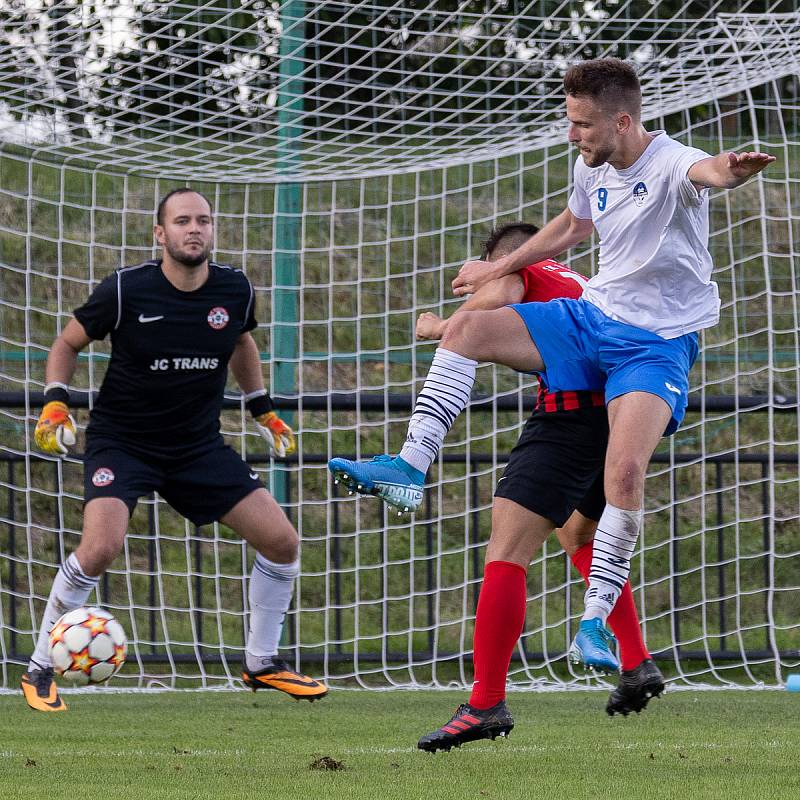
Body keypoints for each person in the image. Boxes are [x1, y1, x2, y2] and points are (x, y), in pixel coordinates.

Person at [328, 57, 775, 675]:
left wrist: (733, 170)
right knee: (468, 328)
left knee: (623, 473)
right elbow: (571, 225)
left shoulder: (671, 162)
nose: (572, 135)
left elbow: (710, 171)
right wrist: (495, 269)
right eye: (570, 122)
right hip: (595, 319)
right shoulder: (589, 166)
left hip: (656, 345)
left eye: (583, 125)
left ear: (622, 120)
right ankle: (409, 465)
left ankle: (594, 623)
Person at [333, 222, 663, 751]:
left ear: (498, 259)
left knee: (506, 552)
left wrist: (436, 323)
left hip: (568, 418)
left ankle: (485, 703)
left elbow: (499, 298)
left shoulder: (522, 271)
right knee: (580, 536)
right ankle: (636, 660)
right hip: (626, 408)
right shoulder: (581, 285)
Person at [23, 188, 328, 711]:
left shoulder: (234, 289)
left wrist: (262, 409)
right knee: (100, 547)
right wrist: (56, 403)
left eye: (204, 221)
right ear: (160, 234)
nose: (195, 229)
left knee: (282, 542)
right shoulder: (124, 290)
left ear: (213, 231)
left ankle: (261, 663)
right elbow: (67, 343)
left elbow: (241, 341)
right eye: (183, 220)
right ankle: (39, 667)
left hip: (196, 447)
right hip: (124, 443)